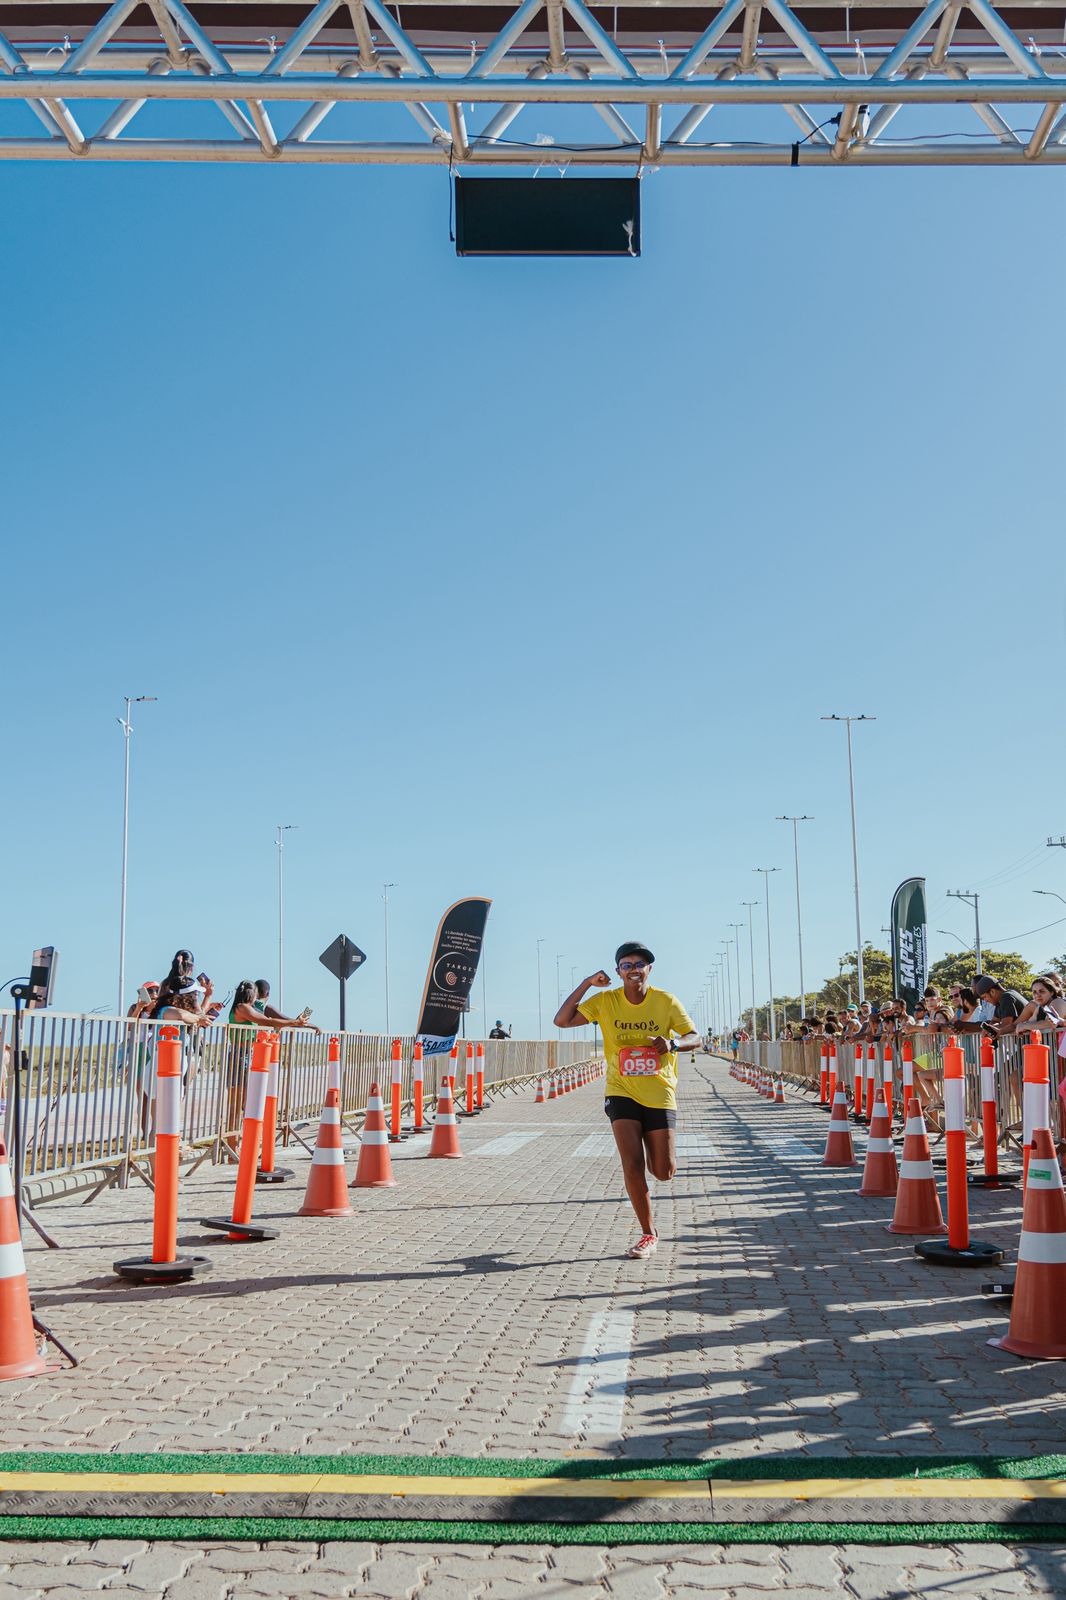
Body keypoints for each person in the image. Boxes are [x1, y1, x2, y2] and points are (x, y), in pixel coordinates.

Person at [554, 942, 698, 1260]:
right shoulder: (605, 1001)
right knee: (631, 1165)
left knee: (663, 1170)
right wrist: (587, 983)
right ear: (618, 971)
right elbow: (562, 1021)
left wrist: (672, 1043)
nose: (633, 969)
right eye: (626, 965)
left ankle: (656, 1155)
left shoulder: (666, 1001)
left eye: (639, 964)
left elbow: (694, 1037)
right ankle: (648, 1233)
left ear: (649, 969)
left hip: (659, 1091)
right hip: (621, 1090)